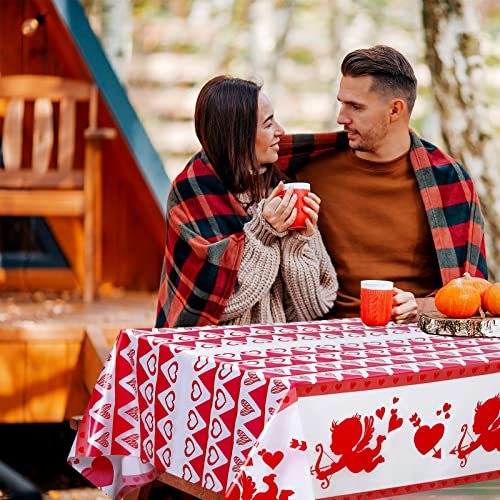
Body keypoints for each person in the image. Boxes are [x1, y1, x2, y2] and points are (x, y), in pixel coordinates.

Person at [277, 45, 487, 324]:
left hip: (418, 335)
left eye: (355, 107)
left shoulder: (447, 181)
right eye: (342, 103)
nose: (341, 117)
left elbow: (475, 293)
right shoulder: (307, 171)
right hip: (326, 331)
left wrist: (420, 307)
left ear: (395, 110)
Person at [155, 76, 338, 328]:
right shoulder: (191, 192)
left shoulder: (280, 190)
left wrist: (296, 244)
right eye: (268, 123)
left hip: (279, 349)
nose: (281, 132)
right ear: (238, 135)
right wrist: (262, 233)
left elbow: (313, 308)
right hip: (214, 352)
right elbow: (213, 306)